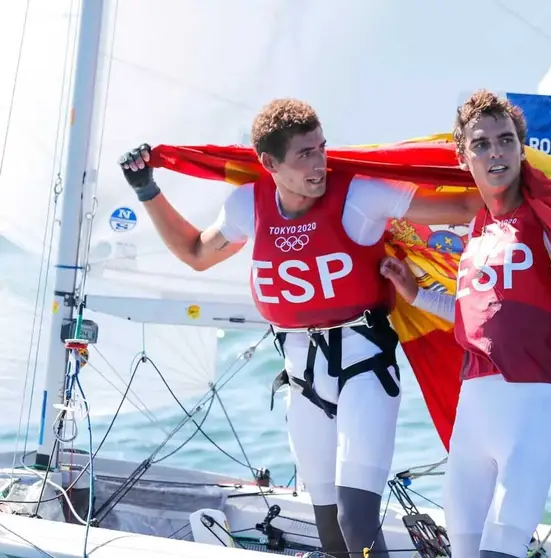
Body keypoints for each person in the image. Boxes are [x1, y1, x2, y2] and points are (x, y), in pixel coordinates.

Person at [118, 98, 484, 557]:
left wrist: (503, 167)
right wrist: (147, 190)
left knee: (357, 519)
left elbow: (465, 206)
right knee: (329, 532)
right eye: (305, 155)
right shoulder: (245, 206)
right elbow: (195, 252)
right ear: (269, 163)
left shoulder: (359, 193)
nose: (320, 164)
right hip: (302, 379)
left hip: (364, 368)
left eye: (322, 148)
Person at [379, 90, 551, 558]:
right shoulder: (478, 227)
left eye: (505, 140)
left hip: (533, 409)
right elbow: (479, 313)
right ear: (463, 156)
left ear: (521, 148)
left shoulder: (550, 219)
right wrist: (417, 295)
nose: (495, 153)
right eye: (481, 144)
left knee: (499, 551)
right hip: (474, 410)